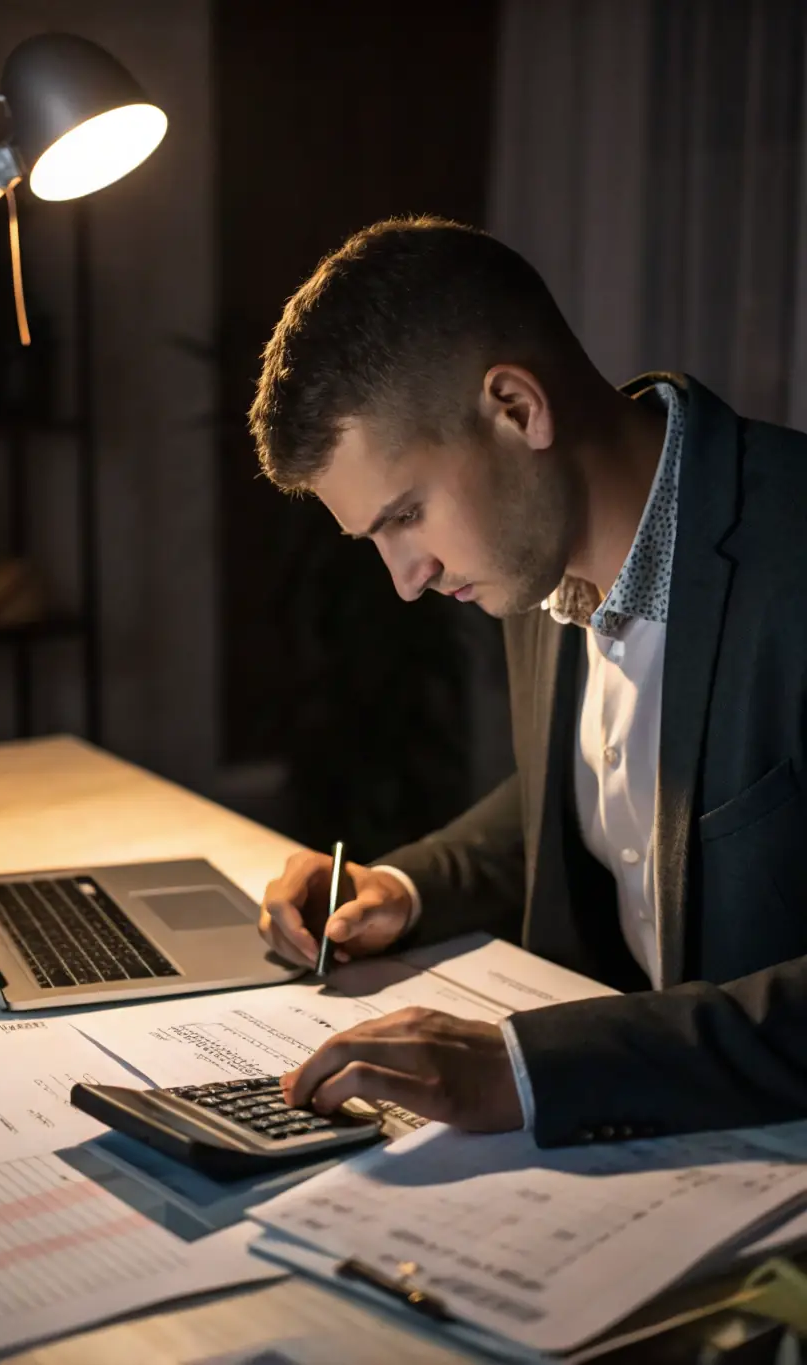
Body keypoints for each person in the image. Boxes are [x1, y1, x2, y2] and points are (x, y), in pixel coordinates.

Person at [249, 216, 807, 1148]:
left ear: (516, 408)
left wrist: (529, 1065)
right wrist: (402, 886)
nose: (407, 577)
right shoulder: (537, 550)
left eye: (408, 515)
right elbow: (612, 787)